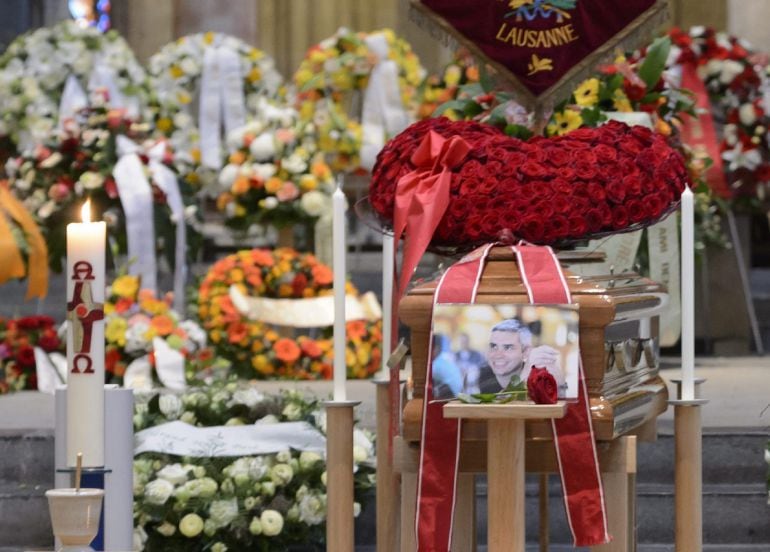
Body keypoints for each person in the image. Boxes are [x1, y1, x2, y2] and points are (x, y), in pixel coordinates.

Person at [476, 318, 566, 394]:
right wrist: (526, 373)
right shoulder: (481, 375)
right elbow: (501, 406)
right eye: (493, 346)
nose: (498, 355)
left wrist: (560, 385)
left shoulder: (539, 376)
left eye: (508, 347)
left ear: (526, 351)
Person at [430, 334, 463, 400]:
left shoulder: (436, 364)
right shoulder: (444, 358)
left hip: (452, 396)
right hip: (459, 393)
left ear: (436, 348)